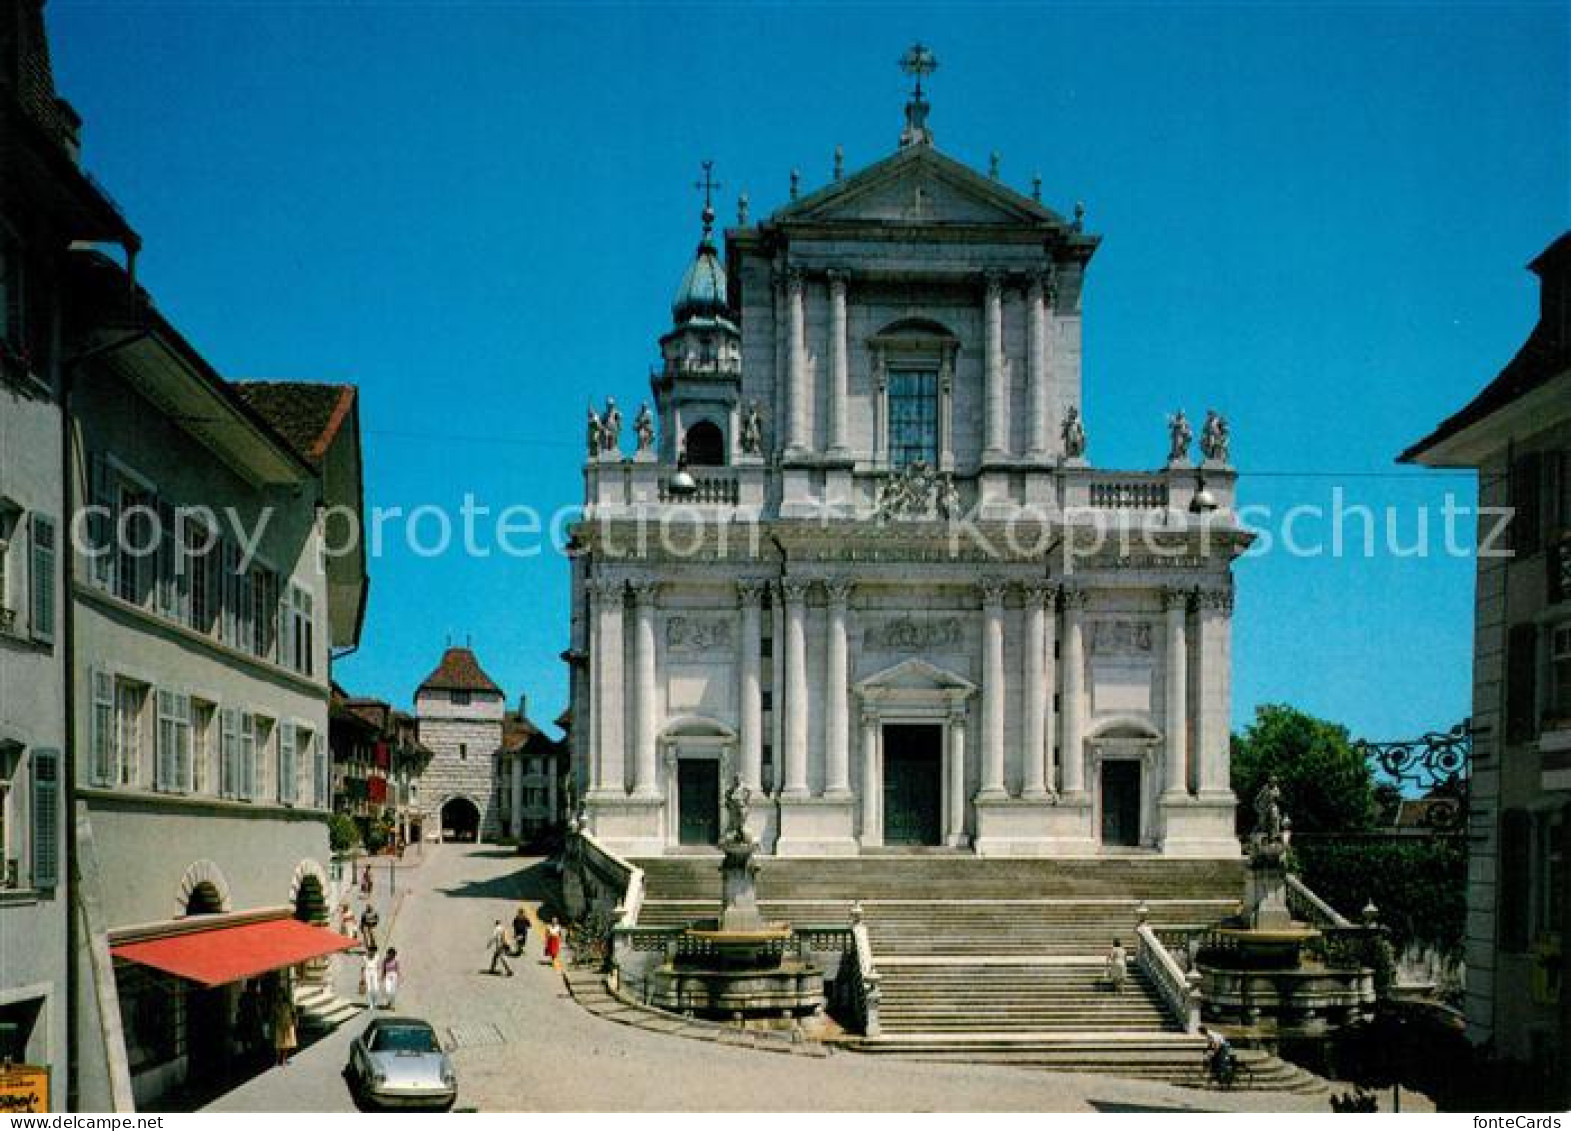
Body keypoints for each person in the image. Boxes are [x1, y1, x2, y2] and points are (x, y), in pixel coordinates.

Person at [272, 985, 298, 1067]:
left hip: (288, 1024)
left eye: (281, 994)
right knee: (278, 1044)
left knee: (287, 1043)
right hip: (279, 1025)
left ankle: (284, 1059)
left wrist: (295, 1021)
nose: (279, 996)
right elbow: (273, 1016)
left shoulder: (288, 1004)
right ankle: (277, 1060)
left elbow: (294, 1013)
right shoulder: (275, 1005)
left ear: (283, 994)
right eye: (278, 995)